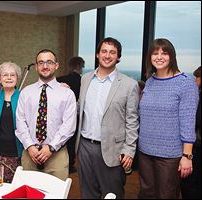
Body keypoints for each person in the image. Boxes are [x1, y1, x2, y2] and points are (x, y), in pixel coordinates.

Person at [75, 37, 139, 199]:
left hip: (113, 150)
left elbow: (132, 120)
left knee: (112, 195)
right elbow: (78, 108)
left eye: (112, 52)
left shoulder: (129, 84)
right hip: (84, 147)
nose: (107, 55)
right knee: (88, 194)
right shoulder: (86, 78)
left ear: (118, 57)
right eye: (104, 51)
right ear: (97, 54)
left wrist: (129, 150)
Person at [138, 38, 199, 199]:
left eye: (164, 53)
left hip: (170, 155)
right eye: (155, 53)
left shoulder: (185, 84)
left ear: (172, 56)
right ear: (149, 57)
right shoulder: (150, 82)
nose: (159, 57)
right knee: (146, 194)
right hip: (145, 152)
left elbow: (188, 122)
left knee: (166, 195)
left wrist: (187, 156)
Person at [15, 49, 77, 180]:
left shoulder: (67, 94)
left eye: (49, 62)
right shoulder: (26, 92)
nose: (45, 66)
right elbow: (20, 121)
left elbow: (69, 126)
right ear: (36, 66)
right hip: (30, 155)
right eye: (41, 62)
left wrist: (51, 147)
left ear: (56, 65)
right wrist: (29, 146)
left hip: (57, 157)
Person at [0, 61, 23, 183]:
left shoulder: (23, 96)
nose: (9, 78)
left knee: (14, 187)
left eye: (12, 75)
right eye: (5, 75)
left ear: (17, 78)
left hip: (17, 150)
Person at [56, 56, 84, 174]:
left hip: (59, 114)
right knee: (71, 139)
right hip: (75, 114)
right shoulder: (83, 81)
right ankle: (70, 164)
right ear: (80, 67)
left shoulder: (59, 79)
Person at [180, 66, 201, 199]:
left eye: (197, 77)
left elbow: (194, 121)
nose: (195, 80)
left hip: (196, 149)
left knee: (191, 187)